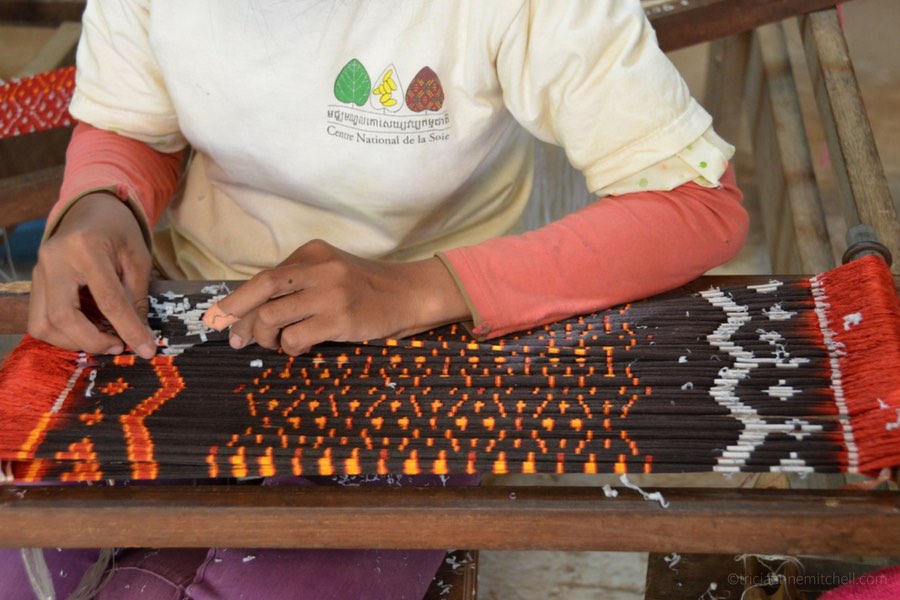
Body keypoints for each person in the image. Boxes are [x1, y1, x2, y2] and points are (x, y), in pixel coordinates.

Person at [4, 0, 749, 598]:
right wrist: (103, 207)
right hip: (194, 321)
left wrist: (422, 285)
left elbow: (696, 202)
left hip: (423, 355)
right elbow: (131, 125)